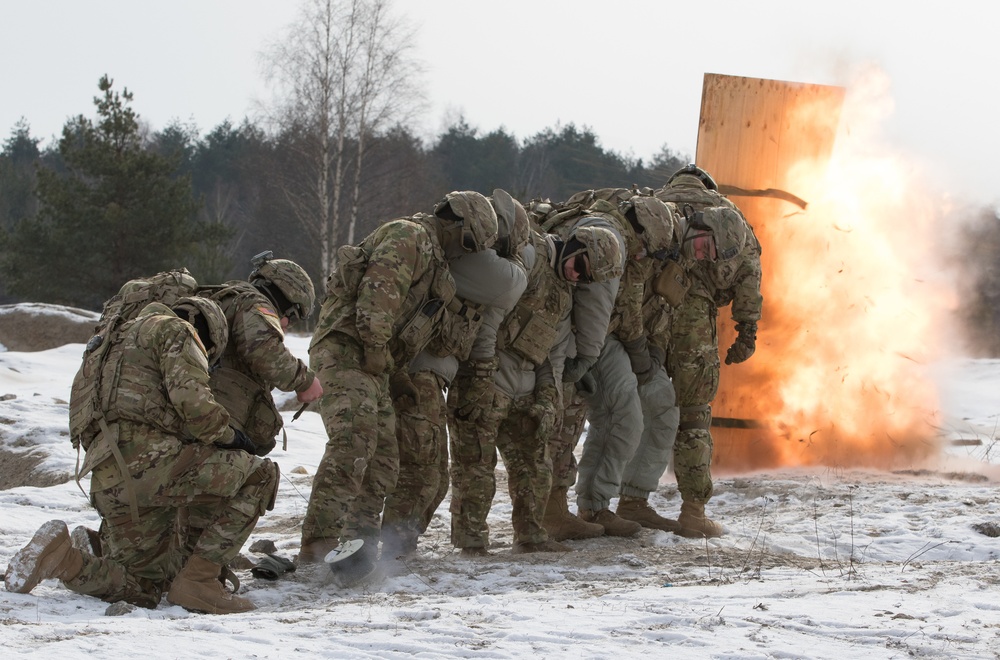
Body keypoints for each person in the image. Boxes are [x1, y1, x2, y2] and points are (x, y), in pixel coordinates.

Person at [4, 297, 279, 614]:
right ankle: (199, 583)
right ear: (209, 332)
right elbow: (195, 405)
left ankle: (64, 558)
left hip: (107, 476)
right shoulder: (177, 329)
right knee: (260, 475)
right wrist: (232, 437)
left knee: (142, 588)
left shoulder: (106, 343)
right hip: (153, 464)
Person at [301, 190, 499, 585]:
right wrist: (377, 350)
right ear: (455, 225)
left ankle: (358, 547)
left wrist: (396, 374)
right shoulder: (408, 235)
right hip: (345, 350)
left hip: (377, 365)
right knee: (353, 442)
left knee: (386, 460)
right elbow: (379, 296)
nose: (467, 255)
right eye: (470, 244)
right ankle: (316, 545)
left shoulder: (436, 262)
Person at [448, 207, 625, 555]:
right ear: (575, 245)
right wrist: (482, 373)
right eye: (581, 268)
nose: (578, 278)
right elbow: (489, 316)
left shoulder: (563, 289)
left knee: (536, 465)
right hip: (486, 379)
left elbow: (553, 350)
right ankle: (470, 542)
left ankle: (531, 535)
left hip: (525, 387)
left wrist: (548, 395)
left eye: (586, 279)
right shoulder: (529, 258)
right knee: (476, 469)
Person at [381, 189, 529, 559]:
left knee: (429, 472)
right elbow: (512, 282)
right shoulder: (475, 261)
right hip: (418, 371)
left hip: (425, 371)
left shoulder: (446, 249)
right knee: (422, 471)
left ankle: (395, 546)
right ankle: (389, 549)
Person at [550, 191, 679, 537]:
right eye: (646, 249)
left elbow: (627, 306)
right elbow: (596, 306)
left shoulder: (619, 239)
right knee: (571, 427)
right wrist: (588, 359)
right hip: (578, 341)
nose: (644, 258)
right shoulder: (611, 240)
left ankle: (593, 507)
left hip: (594, 339)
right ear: (641, 233)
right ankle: (557, 511)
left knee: (624, 417)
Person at [646, 164, 763, 537]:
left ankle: (623, 504)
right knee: (694, 416)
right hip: (694, 320)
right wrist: (746, 330)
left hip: (647, 316)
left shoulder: (654, 205)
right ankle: (693, 511)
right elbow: (749, 272)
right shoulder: (728, 214)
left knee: (634, 412)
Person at [200, 251, 324, 456]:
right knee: (261, 480)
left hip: (202, 416)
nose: (286, 327)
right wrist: (305, 380)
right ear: (286, 303)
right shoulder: (254, 304)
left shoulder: (229, 298)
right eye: (291, 318)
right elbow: (263, 350)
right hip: (211, 426)